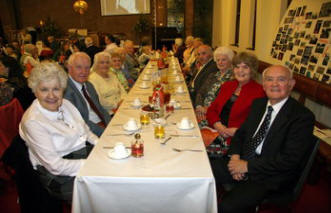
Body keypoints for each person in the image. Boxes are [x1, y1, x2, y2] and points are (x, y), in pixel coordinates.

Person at [210, 65, 315, 213]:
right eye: (269, 80)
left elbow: (289, 159)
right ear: (264, 85)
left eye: (281, 80)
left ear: (291, 84)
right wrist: (235, 158)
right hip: (243, 159)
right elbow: (241, 134)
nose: (274, 84)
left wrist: (246, 166)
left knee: (227, 207)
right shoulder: (258, 105)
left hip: (269, 174)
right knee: (203, 172)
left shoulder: (302, 117)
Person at [19, 62, 99, 201]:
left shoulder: (66, 104)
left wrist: (101, 147)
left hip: (80, 154)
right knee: (103, 191)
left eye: (56, 89)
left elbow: (86, 132)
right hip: (58, 175)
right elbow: (55, 166)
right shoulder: (33, 121)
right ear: (35, 90)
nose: (51, 95)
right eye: (44, 89)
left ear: (62, 89)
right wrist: (93, 163)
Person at [206, 52, 265, 156]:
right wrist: (218, 125)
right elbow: (211, 110)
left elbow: (258, 123)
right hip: (215, 130)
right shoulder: (228, 85)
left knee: (200, 155)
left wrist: (237, 132)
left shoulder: (259, 92)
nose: (240, 71)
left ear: (252, 70)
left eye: (245, 67)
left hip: (235, 141)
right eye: (237, 67)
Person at [64, 52, 111, 137]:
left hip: (102, 125)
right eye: (79, 67)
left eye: (87, 68)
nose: (84, 72)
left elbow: (100, 108)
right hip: (89, 133)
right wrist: (105, 133)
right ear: (69, 68)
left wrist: (111, 124)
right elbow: (80, 122)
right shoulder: (66, 91)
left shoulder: (88, 85)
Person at [195, 46, 234, 127]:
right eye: (218, 60)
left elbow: (224, 104)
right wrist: (199, 106)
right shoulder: (213, 75)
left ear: (230, 61)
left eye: (223, 60)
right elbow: (200, 92)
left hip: (216, 117)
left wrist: (207, 110)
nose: (220, 62)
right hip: (202, 111)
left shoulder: (232, 79)